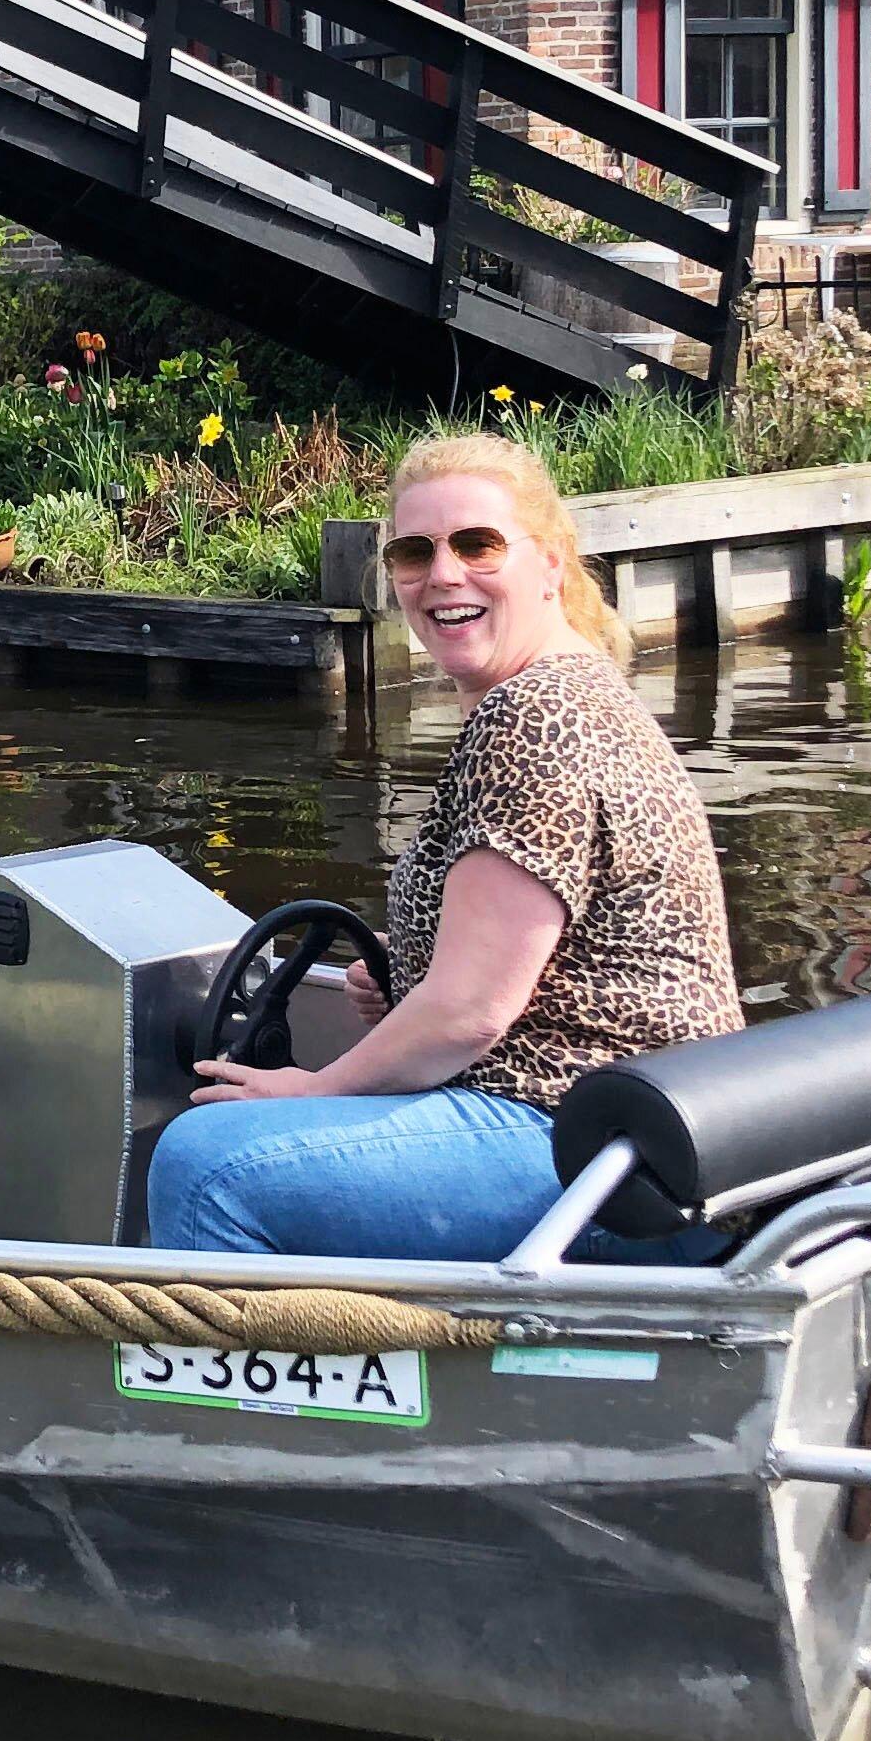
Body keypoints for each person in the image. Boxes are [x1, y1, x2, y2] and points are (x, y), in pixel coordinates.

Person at [144, 430, 741, 1264]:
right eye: (414, 552)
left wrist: (315, 1087)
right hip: (639, 1129)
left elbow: (469, 1014)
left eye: (477, 544)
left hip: (586, 1141)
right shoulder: (580, 691)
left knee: (208, 1165)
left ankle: (255, 1393)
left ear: (550, 564)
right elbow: (545, 956)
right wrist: (415, 961)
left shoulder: (531, 720)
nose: (444, 574)